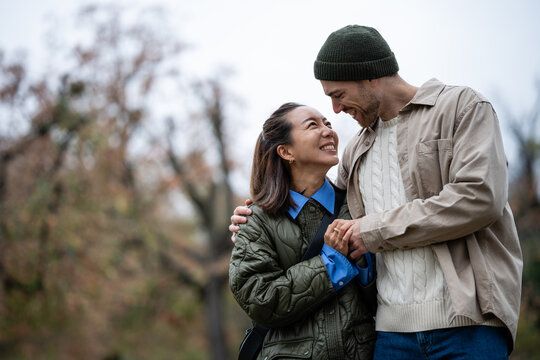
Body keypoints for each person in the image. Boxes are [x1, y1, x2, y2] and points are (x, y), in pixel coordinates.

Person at [230, 25, 523, 359]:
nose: (336, 111)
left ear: (370, 77)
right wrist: (251, 217)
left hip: (468, 325)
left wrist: (370, 231)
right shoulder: (357, 149)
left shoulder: (461, 108)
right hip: (390, 337)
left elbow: (480, 198)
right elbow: (314, 205)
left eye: (338, 95)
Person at [229, 102, 376, 360]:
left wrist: (363, 261)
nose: (328, 130)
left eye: (327, 123)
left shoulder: (359, 204)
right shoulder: (256, 221)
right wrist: (330, 262)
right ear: (286, 151)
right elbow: (260, 300)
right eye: (313, 125)